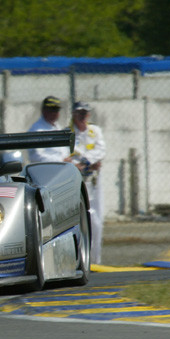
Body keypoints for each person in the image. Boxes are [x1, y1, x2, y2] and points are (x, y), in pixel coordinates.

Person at [67, 101, 106, 264]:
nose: (82, 116)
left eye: (85, 113)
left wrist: (86, 161)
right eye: (79, 113)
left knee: (98, 221)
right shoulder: (67, 132)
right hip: (77, 181)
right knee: (84, 218)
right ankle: (82, 259)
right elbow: (67, 156)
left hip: (94, 180)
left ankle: (95, 260)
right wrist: (87, 161)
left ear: (89, 115)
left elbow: (101, 150)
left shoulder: (94, 130)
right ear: (74, 114)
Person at [27, 95, 70, 163]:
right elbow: (35, 156)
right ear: (44, 110)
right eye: (52, 110)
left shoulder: (57, 126)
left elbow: (63, 151)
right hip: (47, 169)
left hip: (62, 168)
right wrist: (60, 160)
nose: (55, 113)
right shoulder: (36, 130)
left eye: (56, 110)